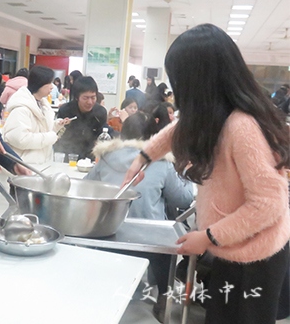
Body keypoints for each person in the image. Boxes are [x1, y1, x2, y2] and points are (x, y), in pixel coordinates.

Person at [122, 23, 290, 324]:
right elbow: (177, 130)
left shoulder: (242, 127)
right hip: (233, 248)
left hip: (253, 258)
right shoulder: (218, 113)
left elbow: (268, 204)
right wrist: (143, 157)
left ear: (199, 81)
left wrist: (209, 236)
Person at [86, 110, 194, 322]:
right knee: (166, 247)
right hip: (148, 240)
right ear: (154, 138)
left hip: (108, 233)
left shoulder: (105, 157)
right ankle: (163, 299)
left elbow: (87, 186)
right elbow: (182, 199)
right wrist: (188, 175)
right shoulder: (162, 162)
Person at [2, 66, 70, 164]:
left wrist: (57, 125)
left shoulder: (42, 104)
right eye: (49, 83)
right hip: (26, 166)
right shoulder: (21, 109)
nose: (52, 87)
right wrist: (50, 137)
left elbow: (42, 129)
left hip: (41, 164)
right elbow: (19, 138)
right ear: (40, 84)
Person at [54, 76, 108, 161]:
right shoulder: (66, 110)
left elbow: (103, 135)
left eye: (93, 97)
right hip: (68, 157)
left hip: (91, 159)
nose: (90, 102)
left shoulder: (100, 112)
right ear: (76, 97)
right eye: (85, 98)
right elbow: (58, 136)